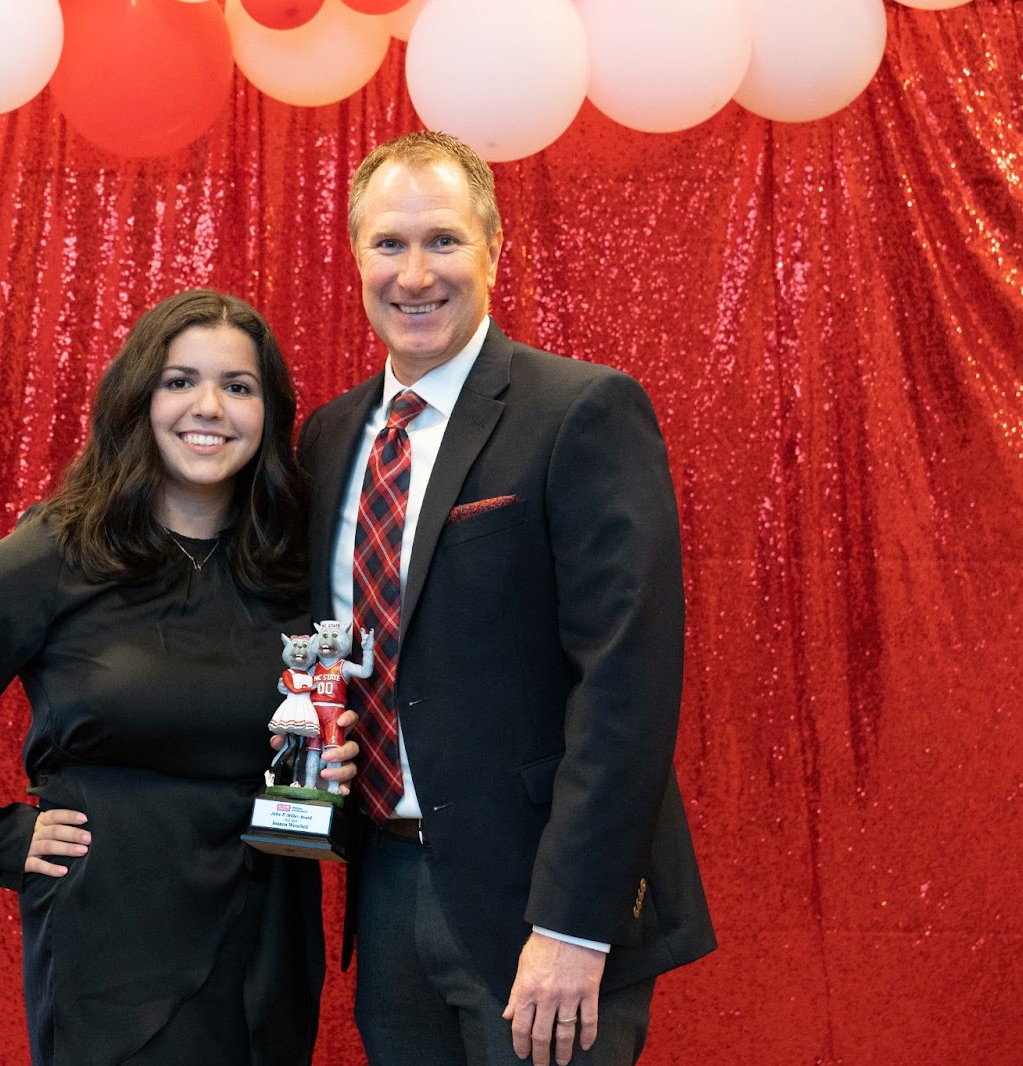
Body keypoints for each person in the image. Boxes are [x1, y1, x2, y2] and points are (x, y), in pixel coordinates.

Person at [0, 289, 358, 1066]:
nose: (209, 407)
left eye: (239, 386)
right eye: (180, 381)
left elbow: (312, 762)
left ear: (270, 412)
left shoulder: (297, 563)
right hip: (117, 948)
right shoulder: (64, 546)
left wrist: (336, 774)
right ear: (138, 398)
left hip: (266, 942)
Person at [297, 132, 716, 1066]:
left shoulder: (582, 412)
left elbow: (627, 687)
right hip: (388, 890)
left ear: (494, 250)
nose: (415, 273)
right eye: (388, 244)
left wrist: (576, 923)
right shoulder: (328, 438)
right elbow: (331, 646)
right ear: (356, 256)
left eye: (442, 240)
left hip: (543, 906)